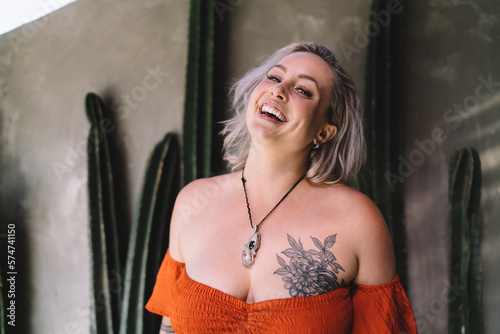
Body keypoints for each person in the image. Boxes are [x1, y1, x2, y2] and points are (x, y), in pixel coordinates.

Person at [146, 42, 417, 333]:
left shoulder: (358, 220)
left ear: (324, 131)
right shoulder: (193, 202)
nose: (278, 90)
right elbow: (169, 326)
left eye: (303, 90)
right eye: (274, 77)